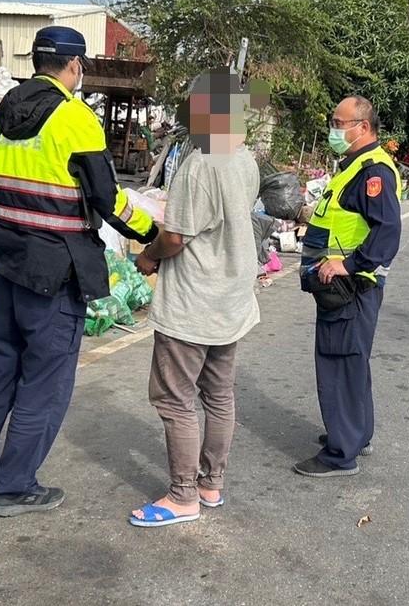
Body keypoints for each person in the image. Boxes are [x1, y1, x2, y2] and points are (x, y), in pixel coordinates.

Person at [0, 26, 158, 517]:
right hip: (53, 269)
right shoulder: (76, 117)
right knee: (45, 382)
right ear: (75, 65)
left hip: (6, 260)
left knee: (0, 371)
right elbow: (106, 198)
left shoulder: (5, 111)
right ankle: (14, 488)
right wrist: (150, 231)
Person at [128, 67, 264, 528]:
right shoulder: (244, 158)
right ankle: (210, 484)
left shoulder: (202, 163)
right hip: (231, 300)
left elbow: (175, 237)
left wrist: (147, 257)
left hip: (193, 302)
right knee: (219, 394)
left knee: (174, 399)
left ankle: (182, 496)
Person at [295, 97, 402, 478]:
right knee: (352, 361)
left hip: (350, 286)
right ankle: (357, 434)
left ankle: (341, 454)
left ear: (363, 127)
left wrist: (349, 264)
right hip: (340, 285)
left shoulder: (373, 171)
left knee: (339, 363)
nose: (333, 130)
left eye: (339, 124)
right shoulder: (354, 166)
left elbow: (388, 231)